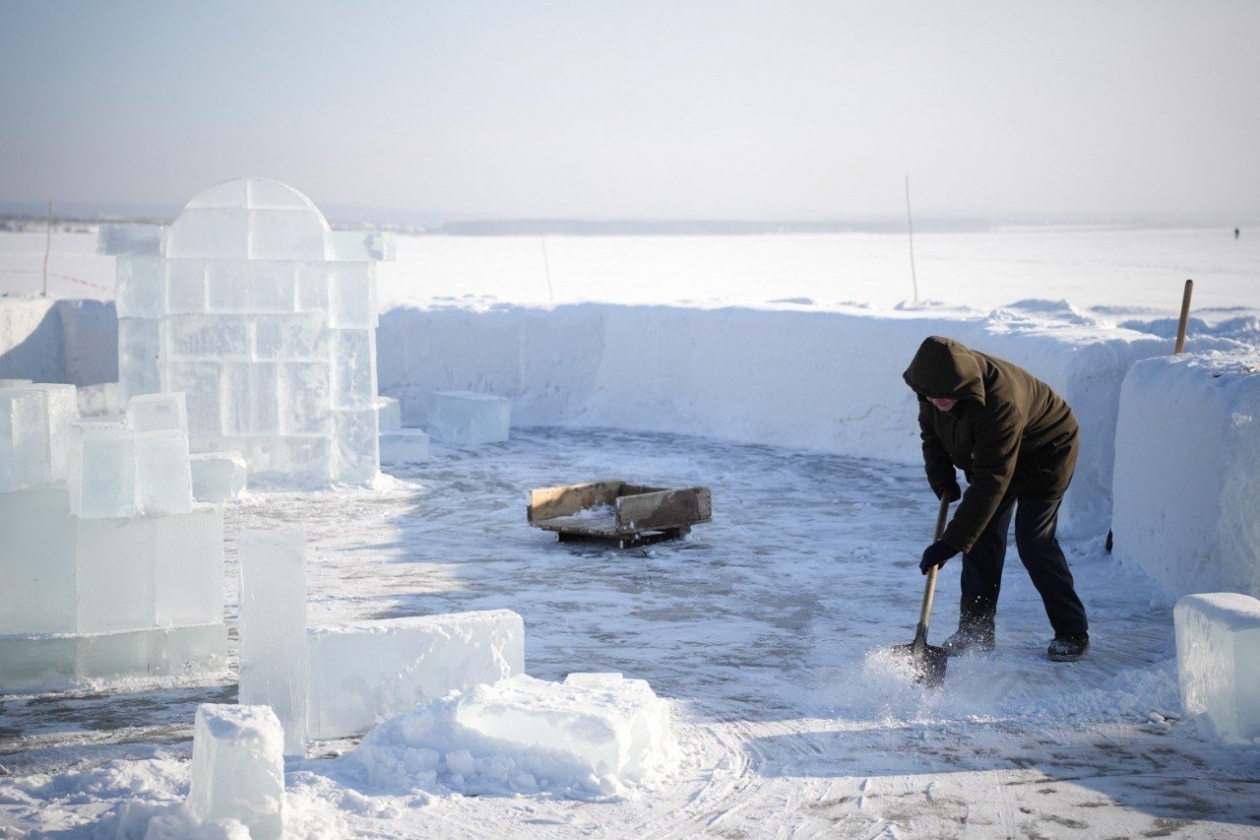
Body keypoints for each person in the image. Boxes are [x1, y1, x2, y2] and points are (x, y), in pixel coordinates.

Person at [902, 336, 1090, 662]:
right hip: (995, 456)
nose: (935, 401)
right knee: (982, 539)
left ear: (962, 385)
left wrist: (951, 541)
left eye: (944, 397)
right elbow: (931, 435)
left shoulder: (1000, 402)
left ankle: (1072, 631)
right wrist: (942, 478)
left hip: (1046, 451)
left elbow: (993, 480)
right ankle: (975, 631)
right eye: (930, 397)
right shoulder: (934, 387)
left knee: (1034, 541)